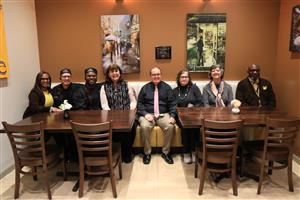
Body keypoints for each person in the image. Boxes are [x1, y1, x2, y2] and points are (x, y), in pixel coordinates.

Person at [137, 67, 176, 165]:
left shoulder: (167, 88)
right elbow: (140, 104)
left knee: (170, 126)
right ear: (150, 76)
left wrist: (172, 116)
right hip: (148, 114)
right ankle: (147, 153)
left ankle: (165, 153)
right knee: (145, 126)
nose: (156, 76)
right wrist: (145, 114)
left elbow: (172, 103)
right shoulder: (144, 88)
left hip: (163, 114)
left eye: (158, 74)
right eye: (154, 74)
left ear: (161, 75)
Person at [100, 64, 137, 163]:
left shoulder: (127, 84)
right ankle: (115, 153)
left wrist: (128, 112)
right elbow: (104, 105)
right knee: (112, 129)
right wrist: (112, 116)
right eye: (112, 71)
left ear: (120, 73)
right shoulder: (104, 87)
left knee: (131, 128)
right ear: (108, 74)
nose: (114, 73)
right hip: (111, 116)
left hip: (127, 114)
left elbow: (133, 101)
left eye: (116, 71)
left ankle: (127, 153)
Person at [52, 68, 87, 161]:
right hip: (60, 118)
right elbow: (54, 105)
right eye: (64, 76)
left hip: (76, 117)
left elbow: (81, 105)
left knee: (73, 134)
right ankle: (65, 154)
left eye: (68, 76)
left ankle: (76, 157)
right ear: (60, 78)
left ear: (70, 77)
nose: (66, 78)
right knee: (57, 133)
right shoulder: (55, 90)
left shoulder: (78, 88)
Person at [173, 69, 203, 164]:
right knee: (185, 127)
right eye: (182, 77)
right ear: (178, 78)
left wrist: (193, 107)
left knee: (195, 127)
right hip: (180, 117)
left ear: (189, 78)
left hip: (194, 115)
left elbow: (200, 102)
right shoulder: (174, 91)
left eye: (186, 77)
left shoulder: (194, 88)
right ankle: (186, 152)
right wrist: (174, 116)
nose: (184, 78)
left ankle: (194, 152)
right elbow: (173, 105)